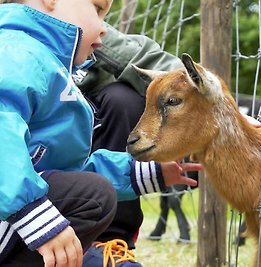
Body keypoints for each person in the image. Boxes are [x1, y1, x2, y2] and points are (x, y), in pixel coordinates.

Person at [0, 1, 202, 267]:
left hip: (14, 216)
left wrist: (141, 173)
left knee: (93, 194)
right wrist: (34, 215)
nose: (104, 29)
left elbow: (67, 173)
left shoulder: (55, 68)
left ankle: (87, 254)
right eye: (97, 9)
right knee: (93, 196)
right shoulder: (17, 52)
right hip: (13, 213)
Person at [75, 23, 189, 266]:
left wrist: (212, 103)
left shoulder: (85, 28)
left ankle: (111, 241)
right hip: (36, 169)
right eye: (94, 8)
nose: (100, 24)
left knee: (122, 98)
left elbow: (141, 56)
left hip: (84, 138)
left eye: (101, 12)